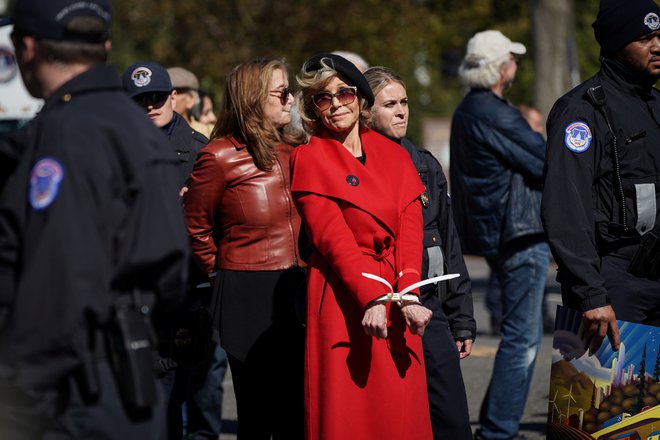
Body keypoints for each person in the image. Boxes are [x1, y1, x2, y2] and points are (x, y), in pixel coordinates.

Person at [0, 0, 189, 438]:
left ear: (27, 49)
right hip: (126, 384)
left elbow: (53, 287)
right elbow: (170, 272)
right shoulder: (144, 131)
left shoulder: (62, 135)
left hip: (61, 398)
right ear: (104, 46)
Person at [291, 52, 433, 440]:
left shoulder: (395, 154)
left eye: (345, 93)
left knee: (400, 411)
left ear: (360, 98)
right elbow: (332, 240)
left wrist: (408, 292)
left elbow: (410, 228)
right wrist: (372, 297)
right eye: (323, 98)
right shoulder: (309, 158)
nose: (335, 104)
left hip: (399, 294)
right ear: (313, 108)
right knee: (348, 414)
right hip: (342, 296)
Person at [184, 58, 307, 440]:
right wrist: (218, 274)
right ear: (253, 99)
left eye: (290, 92)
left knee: (296, 410)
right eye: (282, 92)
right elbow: (196, 226)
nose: (290, 100)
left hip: (298, 285)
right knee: (256, 413)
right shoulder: (219, 156)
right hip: (246, 292)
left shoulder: (297, 150)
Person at [363, 65, 475, 440]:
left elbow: (449, 244)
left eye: (405, 102)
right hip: (377, 311)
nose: (401, 111)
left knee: (452, 419)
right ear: (366, 111)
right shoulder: (354, 165)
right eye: (389, 104)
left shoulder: (424, 164)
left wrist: (462, 319)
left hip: (429, 307)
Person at [542, 0, 660, 354]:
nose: (657, 46)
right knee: (605, 408)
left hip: (654, 275)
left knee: (652, 410)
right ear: (615, 43)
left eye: (659, 35)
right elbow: (565, 210)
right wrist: (591, 294)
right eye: (643, 38)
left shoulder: (654, 105)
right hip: (611, 284)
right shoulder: (582, 111)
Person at [449, 30, 550, 440]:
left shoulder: (470, 109)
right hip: (520, 234)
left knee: (520, 336)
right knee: (523, 341)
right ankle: (498, 431)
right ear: (499, 67)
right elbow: (544, 159)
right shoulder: (493, 112)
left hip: (502, 233)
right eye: (512, 58)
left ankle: (496, 426)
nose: (516, 64)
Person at [122, 61, 226, 440]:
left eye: (157, 98)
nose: (150, 106)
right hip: (135, 293)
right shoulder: (114, 153)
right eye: (139, 101)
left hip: (190, 291)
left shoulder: (203, 154)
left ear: (173, 99)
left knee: (199, 393)